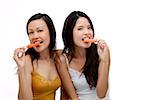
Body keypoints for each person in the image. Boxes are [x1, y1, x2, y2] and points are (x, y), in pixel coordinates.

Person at [57, 11, 110, 100]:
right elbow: (69, 96)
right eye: (80, 29)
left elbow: (101, 94)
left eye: (89, 28)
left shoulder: (101, 52)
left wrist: (104, 60)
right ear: (69, 33)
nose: (87, 32)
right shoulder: (63, 60)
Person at [13, 13, 61, 100]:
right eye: (31, 32)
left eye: (40, 31)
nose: (35, 36)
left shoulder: (57, 57)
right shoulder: (27, 61)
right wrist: (21, 68)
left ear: (51, 32)